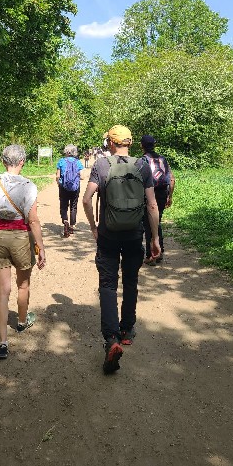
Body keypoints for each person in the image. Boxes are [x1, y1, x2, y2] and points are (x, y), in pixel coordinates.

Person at [82, 125, 159, 374]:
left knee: (107, 284)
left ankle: (111, 339)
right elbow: (152, 205)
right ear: (130, 142)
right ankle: (127, 330)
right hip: (134, 234)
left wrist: (94, 227)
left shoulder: (101, 165)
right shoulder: (142, 166)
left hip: (108, 235)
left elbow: (86, 199)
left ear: (111, 143)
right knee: (131, 281)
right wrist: (154, 238)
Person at [0, 144, 46, 360]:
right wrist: (41, 247)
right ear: (22, 162)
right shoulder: (28, 186)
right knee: (23, 285)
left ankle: (2, 343)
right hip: (20, 237)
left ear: (3, 161)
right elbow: (33, 220)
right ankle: (21, 321)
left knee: (2, 291)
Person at [140, 135, 176, 266]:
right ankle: (160, 252)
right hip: (162, 193)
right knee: (157, 221)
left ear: (142, 146)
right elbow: (172, 179)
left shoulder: (142, 160)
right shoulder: (163, 159)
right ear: (154, 145)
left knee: (148, 224)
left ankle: (151, 255)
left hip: (147, 194)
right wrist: (169, 196)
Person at [56, 144, 84, 237]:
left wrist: (59, 183)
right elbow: (82, 176)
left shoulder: (61, 161)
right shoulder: (78, 162)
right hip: (75, 187)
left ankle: (65, 221)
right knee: (73, 206)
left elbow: (57, 176)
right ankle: (72, 226)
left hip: (63, 187)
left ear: (66, 152)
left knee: (63, 206)